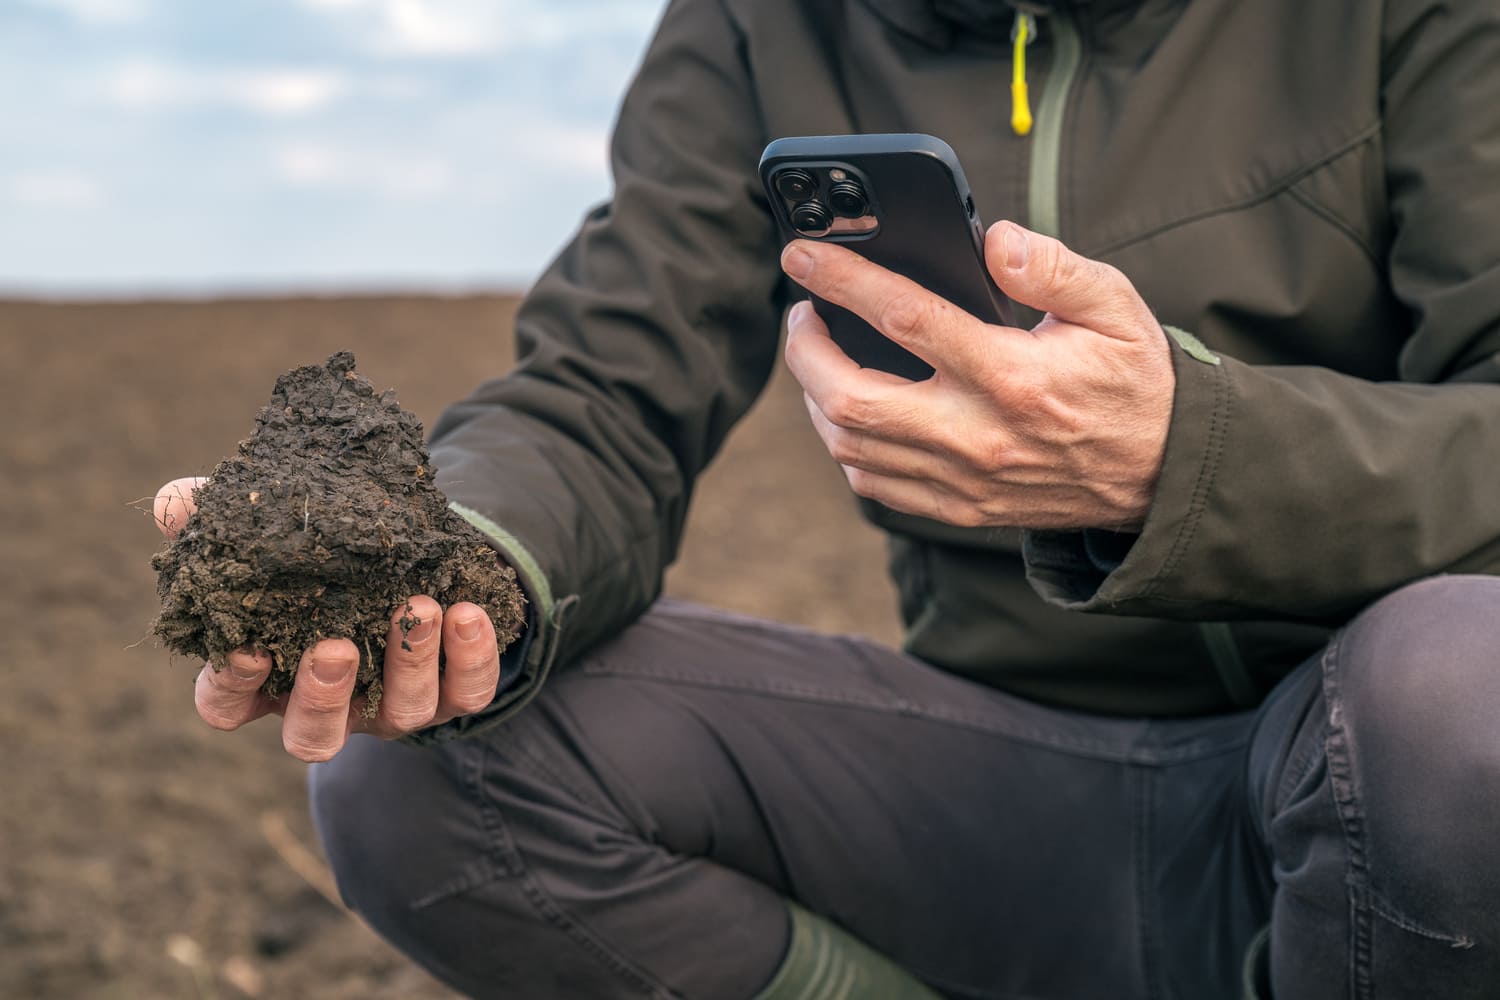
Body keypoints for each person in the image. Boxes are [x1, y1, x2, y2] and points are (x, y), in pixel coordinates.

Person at [153, 0, 1500, 996]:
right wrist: (443, 563)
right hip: (1002, 796)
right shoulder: (759, 22)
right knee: (426, 767)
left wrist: (1184, 460)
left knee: (1461, 697)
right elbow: (607, 384)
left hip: (1368, 787)